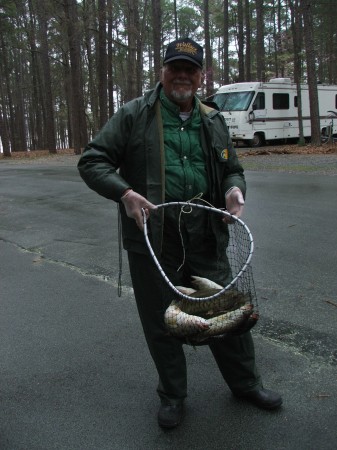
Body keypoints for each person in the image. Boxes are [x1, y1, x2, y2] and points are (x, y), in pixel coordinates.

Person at [78, 37, 282, 428]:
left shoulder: (212, 119)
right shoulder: (134, 115)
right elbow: (92, 161)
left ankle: (246, 384)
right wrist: (124, 193)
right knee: (162, 320)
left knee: (226, 310)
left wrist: (234, 190)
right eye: (175, 68)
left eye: (190, 70)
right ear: (163, 71)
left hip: (206, 234)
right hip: (154, 238)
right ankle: (172, 396)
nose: (182, 76)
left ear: (200, 75)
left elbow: (232, 168)